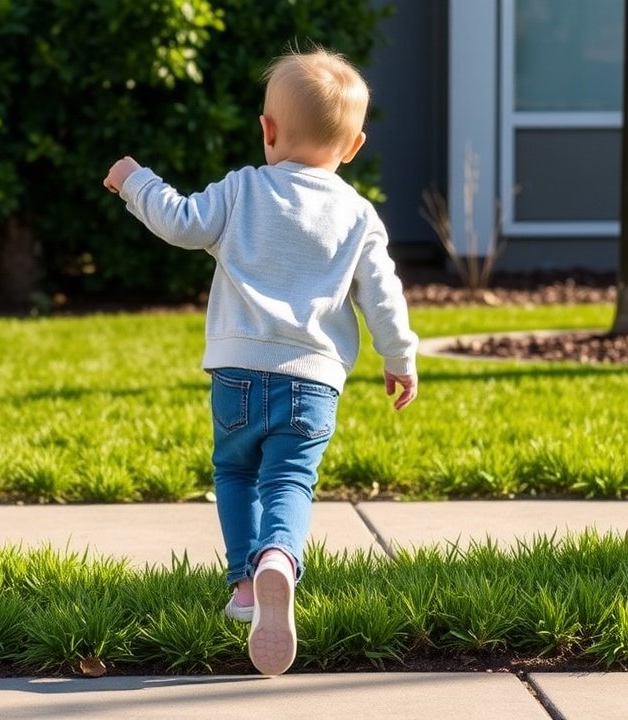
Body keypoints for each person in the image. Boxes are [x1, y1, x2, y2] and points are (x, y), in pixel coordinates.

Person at [102, 48, 418, 676]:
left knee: (236, 473)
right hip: (313, 383)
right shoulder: (359, 215)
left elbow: (181, 222)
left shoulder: (244, 188)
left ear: (267, 130)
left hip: (237, 373)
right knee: (289, 481)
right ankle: (280, 556)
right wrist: (399, 358)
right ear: (353, 146)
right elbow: (383, 295)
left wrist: (134, 180)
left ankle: (246, 585)